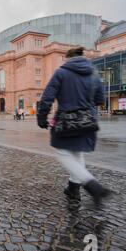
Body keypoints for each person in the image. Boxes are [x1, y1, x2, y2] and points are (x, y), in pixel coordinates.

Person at [37, 47, 112, 204]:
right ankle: (73, 188)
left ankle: (93, 185)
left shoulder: (61, 72)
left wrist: (42, 116)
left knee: (63, 152)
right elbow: (100, 99)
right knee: (77, 153)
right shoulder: (93, 73)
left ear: (67, 58)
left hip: (67, 120)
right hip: (88, 121)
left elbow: (47, 97)